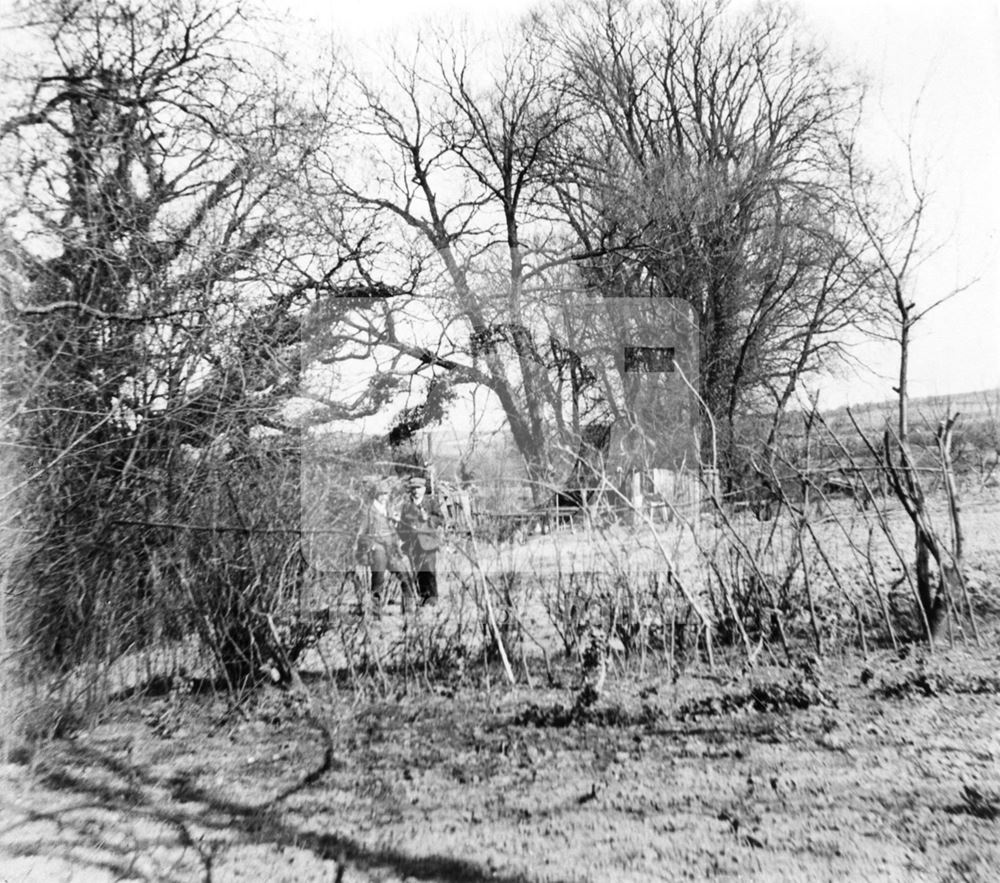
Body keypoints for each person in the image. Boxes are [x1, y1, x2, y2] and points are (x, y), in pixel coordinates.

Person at [356, 479, 414, 614]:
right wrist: (369, 547)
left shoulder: (388, 510)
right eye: (382, 494)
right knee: (378, 581)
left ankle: (409, 611)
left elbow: (394, 531)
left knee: (405, 576)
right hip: (377, 550)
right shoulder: (368, 511)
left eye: (386, 494)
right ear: (376, 494)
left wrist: (397, 541)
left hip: (391, 550)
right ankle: (376, 612)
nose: (384, 497)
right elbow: (361, 533)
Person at [397, 475, 444, 606]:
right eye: (414, 488)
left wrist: (428, 518)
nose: (416, 491)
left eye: (419, 488)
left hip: (429, 543)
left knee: (429, 571)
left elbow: (440, 519)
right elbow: (401, 525)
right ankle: (423, 598)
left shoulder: (431, 503)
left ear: (424, 489)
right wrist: (404, 536)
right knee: (417, 572)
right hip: (413, 544)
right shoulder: (406, 506)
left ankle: (433, 598)